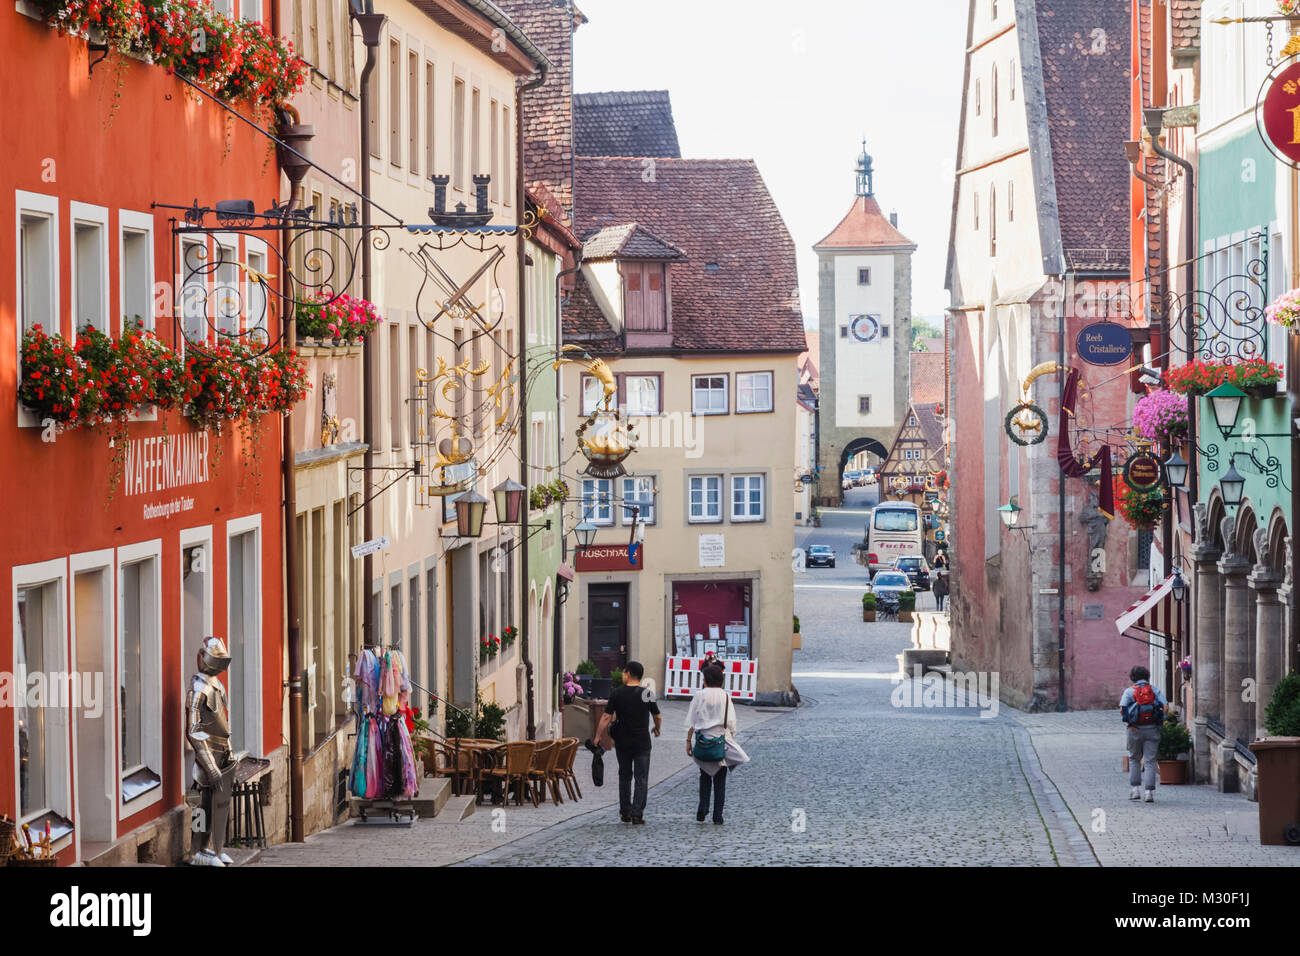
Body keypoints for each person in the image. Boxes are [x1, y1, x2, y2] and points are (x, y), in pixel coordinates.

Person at [604, 661, 661, 823]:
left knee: (625, 776)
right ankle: (637, 813)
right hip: (642, 741)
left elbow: (607, 716)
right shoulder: (646, 693)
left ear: (628, 673)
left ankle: (625, 812)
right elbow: (657, 715)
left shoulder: (617, 693)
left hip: (622, 741)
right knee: (641, 778)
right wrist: (657, 728)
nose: (622, 675)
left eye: (623, 672)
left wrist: (598, 735)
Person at [686, 664, 740, 824]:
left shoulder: (699, 695)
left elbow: (692, 721)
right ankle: (718, 815)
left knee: (704, 775)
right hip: (719, 742)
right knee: (720, 779)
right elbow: (731, 722)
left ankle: (703, 807)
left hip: (703, 741)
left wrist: (688, 740)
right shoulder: (726, 696)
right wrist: (731, 736)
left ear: (706, 680)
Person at [1119, 665, 1167, 802]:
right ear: (1147, 676)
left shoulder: (1129, 691)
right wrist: (1160, 721)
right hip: (1152, 729)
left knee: (1134, 759)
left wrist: (1130, 723)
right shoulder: (1154, 690)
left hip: (1134, 730)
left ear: (1133, 678)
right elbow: (1165, 706)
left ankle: (1135, 790)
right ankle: (1149, 793)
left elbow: (1122, 709)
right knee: (1150, 761)